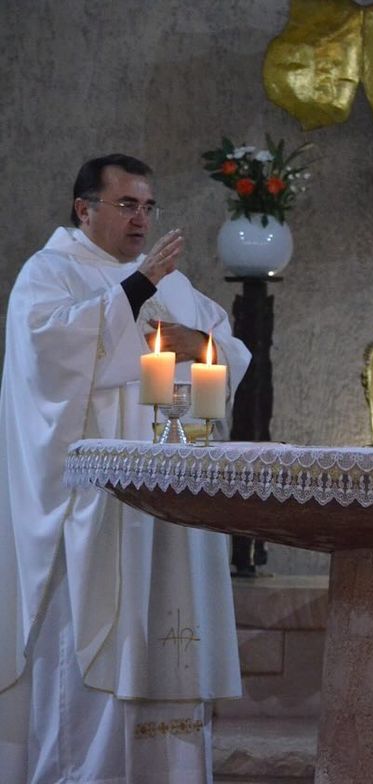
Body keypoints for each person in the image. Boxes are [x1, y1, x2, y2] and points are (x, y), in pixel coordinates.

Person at [0, 154, 251, 782]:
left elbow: (223, 355)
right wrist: (134, 295)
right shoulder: (50, 274)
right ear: (85, 210)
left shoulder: (172, 282)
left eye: (148, 206)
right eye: (126, 205)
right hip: (96, 507)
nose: (141, 218)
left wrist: (201, 346)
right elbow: (46, 357)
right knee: (97, 641)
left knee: (169, 628)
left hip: (173, 497)